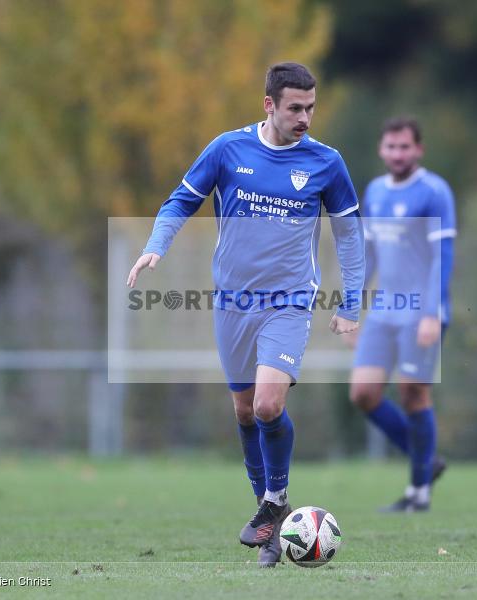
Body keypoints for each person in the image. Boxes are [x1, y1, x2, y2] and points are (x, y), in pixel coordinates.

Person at [127, 63, 364, 566]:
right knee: (242, 411)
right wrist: (155, 246)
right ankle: (271, 518)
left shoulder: (326, 162)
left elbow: (350, 235)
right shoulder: (228, 149)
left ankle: (275, 504)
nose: (305, 117)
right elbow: (180, 201)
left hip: (289, 302)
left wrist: (350, 300)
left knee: (267, 407)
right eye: (295, 108)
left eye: (310, 107)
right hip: (232, 302)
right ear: (269, 105)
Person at [345, 117, 456, 512]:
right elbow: (369, 253)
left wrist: (431, 313)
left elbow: (442, 256)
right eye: (390, 147)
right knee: (363, 392)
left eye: (404, 147)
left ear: (418, 149)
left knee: (413, 393)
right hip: (383, 310)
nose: (397, 154)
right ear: (381, 149)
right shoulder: (374, 191)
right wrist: (350, 306)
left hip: (420, 311)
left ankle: (418, 493)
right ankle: (426, 460)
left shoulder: (433, 192)